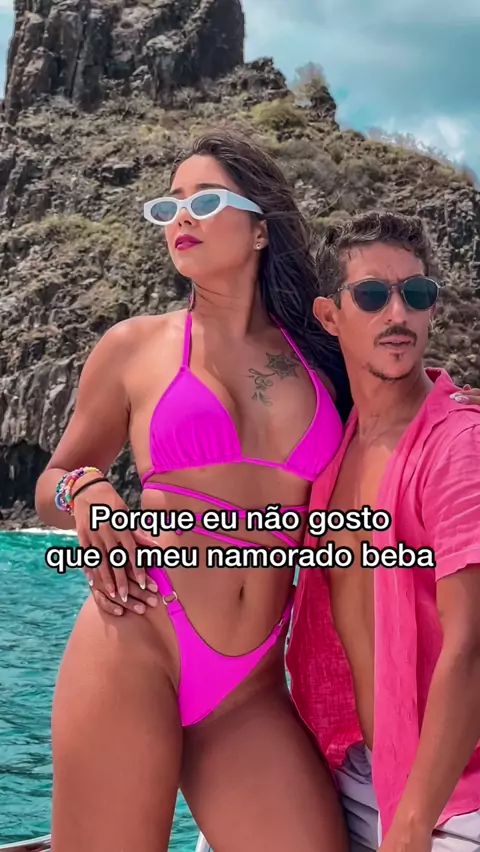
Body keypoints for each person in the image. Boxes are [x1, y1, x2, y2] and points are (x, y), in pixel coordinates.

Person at [34, 128, 352, 852]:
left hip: (250, 686)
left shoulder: (326, 360)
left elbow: (403, 417)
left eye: (205, 201)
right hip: (136, 637)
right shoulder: (134, 347)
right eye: (169, 205)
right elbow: (54, 480)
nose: (181, 217)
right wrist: (88, 492)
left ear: (261, 228)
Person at [286, 210, 480, 852]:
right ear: (329, 315)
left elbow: (471, 646)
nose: (398, 313)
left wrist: (412, 825)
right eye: (372, 295)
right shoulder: (334, 449)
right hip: (356, 769)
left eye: (416, 294)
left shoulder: (458, 445)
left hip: (452, 795)